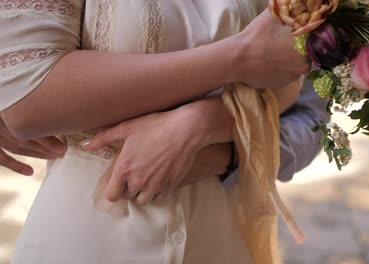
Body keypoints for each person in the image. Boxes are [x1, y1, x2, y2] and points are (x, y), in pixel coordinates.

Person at [0, 0, 327, 263]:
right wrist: (237, 58)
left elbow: (296, 85)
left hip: (220, 226)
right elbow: (28, 99)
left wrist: (206, 124)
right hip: (87, 231)